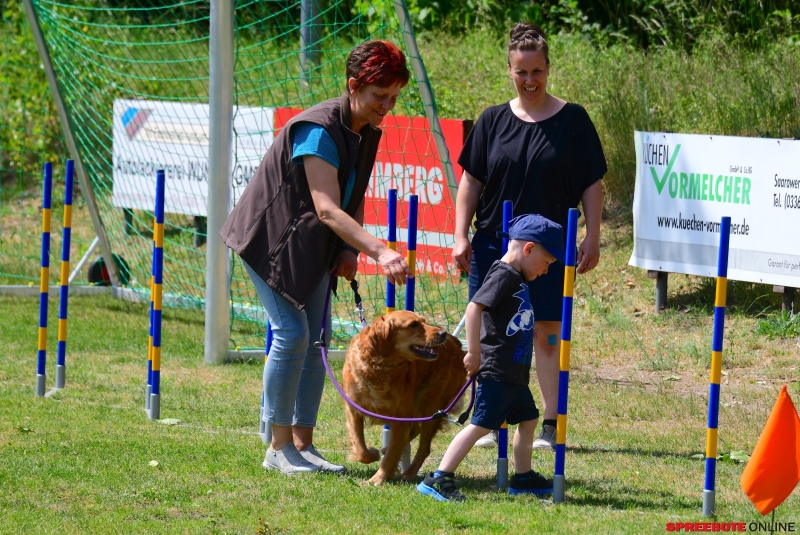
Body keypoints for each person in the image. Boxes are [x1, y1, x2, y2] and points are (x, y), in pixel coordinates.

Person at [219, 40, 412, 475]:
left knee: (316, 341)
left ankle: (302, 446)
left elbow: (354, 194)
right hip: (268, 243)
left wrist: (348, 248)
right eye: (380, 96)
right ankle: (277, 448)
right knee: (290, 334)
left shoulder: (367, 131)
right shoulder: (318, 130)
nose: (388, 106)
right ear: (353, 86)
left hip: (312, 247)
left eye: (394, 97)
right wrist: (379, 250)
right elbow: (327, 207)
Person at [451, 22, 607, 450]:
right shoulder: (491, 120)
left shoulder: (573, 120)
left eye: (537, 71)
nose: (530, 80)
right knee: (492, 331)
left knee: (545, 332)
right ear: (509, 70)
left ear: (548, 68)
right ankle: (487, 417)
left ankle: (551, 423)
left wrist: (592, 236)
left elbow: (592, 182)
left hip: (548, 252)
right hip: (493, 245)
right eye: (521, 72)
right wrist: (459, 234)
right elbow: (471, 182)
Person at [418, 214, 563, 501]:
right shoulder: (504, 274)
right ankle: (439, 476)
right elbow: (474, 309)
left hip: (515, 372)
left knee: (529, 419)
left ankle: (522, 477)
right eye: (546, 263)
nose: (546, 271)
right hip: (497, 370)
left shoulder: (517, 278)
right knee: (481, 424)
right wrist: (473, 351)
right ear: (529, 249)